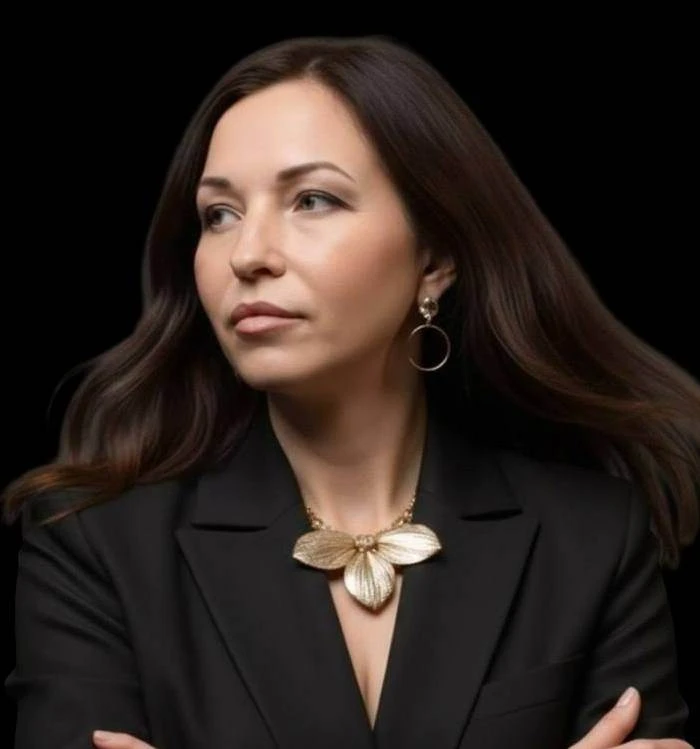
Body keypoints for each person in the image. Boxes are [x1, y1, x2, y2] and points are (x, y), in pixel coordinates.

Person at [2, 34, 698, 749]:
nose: (247, 254)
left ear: (435, 257)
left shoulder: (591, 539)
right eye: (219, 214)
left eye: (312, 199)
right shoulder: (92, 543)